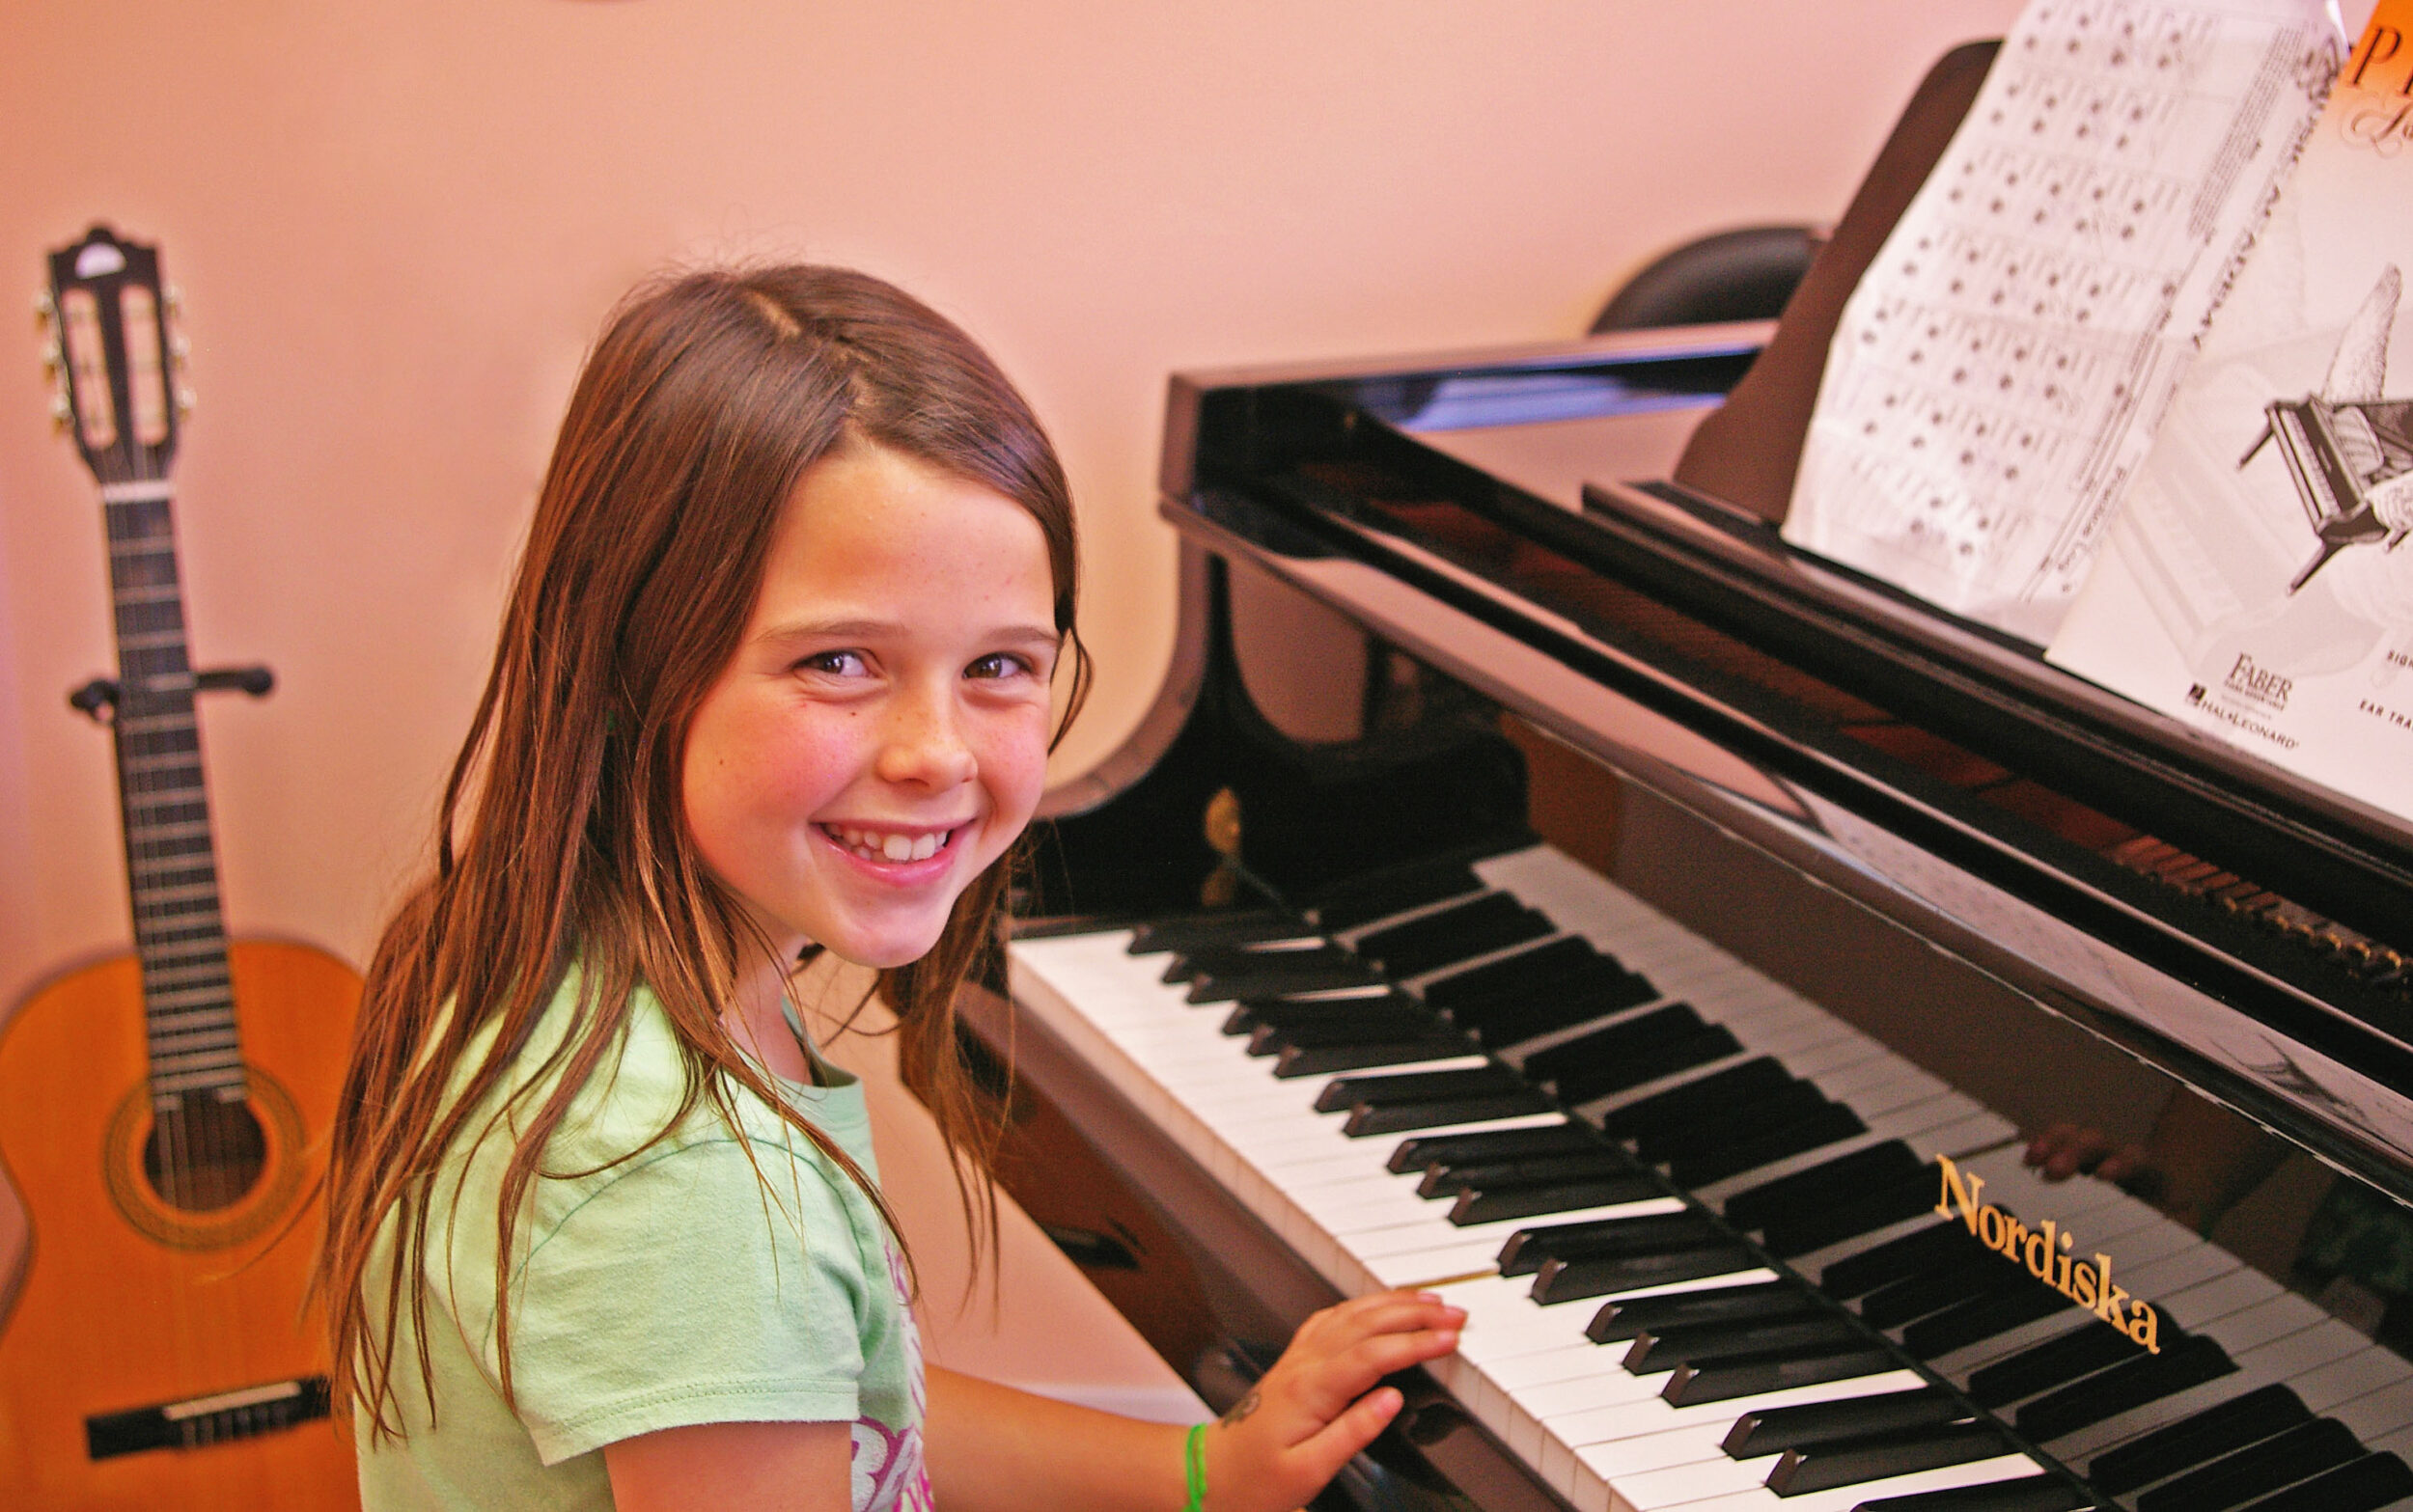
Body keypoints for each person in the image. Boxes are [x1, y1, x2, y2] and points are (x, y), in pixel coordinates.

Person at [313, 264, 1466, 1512]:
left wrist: (1204, 1471)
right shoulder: (678, 1185)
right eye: (843, 660)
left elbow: (844, 1401)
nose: (939, 754)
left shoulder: (589, 971)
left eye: (1001, 667)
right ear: (633, 660)